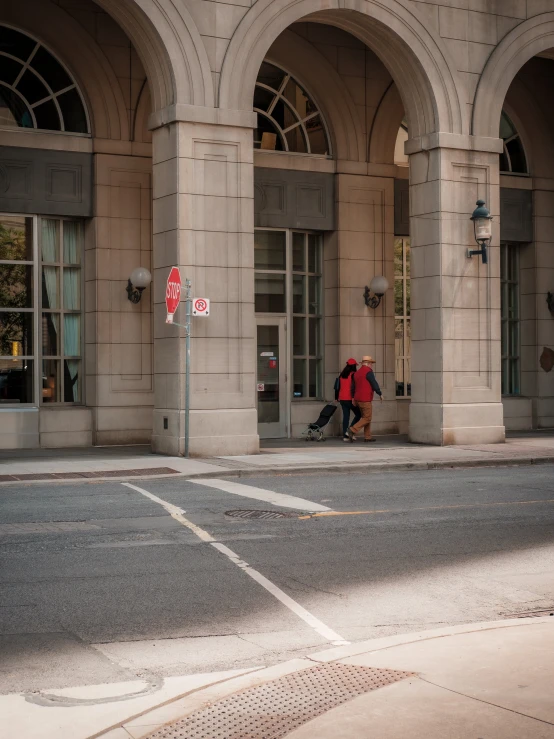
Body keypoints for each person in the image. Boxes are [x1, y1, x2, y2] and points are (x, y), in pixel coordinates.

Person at [347, 355, 383, 443]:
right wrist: (380, 393)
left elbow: (353, 387)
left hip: (357, 398)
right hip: (365, 398)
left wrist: (353, 398)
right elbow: (374, 383)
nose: (372, 365)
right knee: (367, 418)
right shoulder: (368, 372)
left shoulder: (357, 373)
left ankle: (367, 436)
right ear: (367, 363)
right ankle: (352, 430)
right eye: (371, 363)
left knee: (365, 417)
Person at [334, 358, 362, 441]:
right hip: (350, 399)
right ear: (353, 366)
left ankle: (345, 436)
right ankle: (350, 430)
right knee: (359, 415)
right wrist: (354, 398)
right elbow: (354, 388)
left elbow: (337, 387)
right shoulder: (354, 375)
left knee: (346, 417)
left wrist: (336, 398)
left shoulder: (342, 375)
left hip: (342, 399)